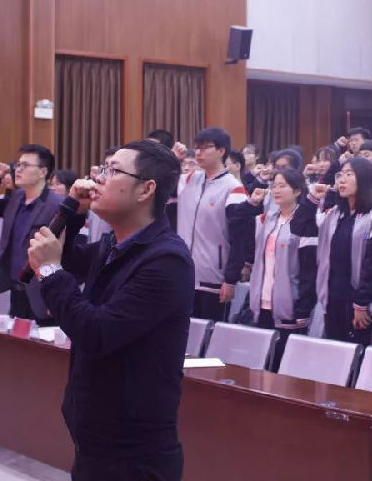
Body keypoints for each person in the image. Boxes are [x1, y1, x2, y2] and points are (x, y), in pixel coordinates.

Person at [27, 140, 192, 481]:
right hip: (96, 435)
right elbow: (55, 251)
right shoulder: (113, 245)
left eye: (113, 170)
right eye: (102, 168)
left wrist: (51, 271)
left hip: (134, 450)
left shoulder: (166, 261)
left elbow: (96, 333)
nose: (98, 177)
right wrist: (73, 208)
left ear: (146, 189)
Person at [291, 157, 372, 346]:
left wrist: (362, 303)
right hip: (332, 299)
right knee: (336, 355)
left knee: (360, 357)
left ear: (364, 179)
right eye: (340, 175)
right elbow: (298, 227)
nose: (342, 179)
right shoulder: (335, 214)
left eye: (349, 174)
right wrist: (312, 199)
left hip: (361, 304)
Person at [241, 169, 317, 368]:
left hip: (289, 306)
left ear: (297, 191)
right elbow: (238, 225)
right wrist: (252, 203)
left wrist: (303, 308)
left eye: (282, 186)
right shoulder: (268, 219)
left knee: (282, 365)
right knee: (260, 363)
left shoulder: (306, 223)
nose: (276, 190)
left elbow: (309, 271)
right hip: (261, 303)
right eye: (274, 186)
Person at [0, 144, 63, 321]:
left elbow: (65, 253)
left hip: (42, 293)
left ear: (42, 172)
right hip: (16, 291)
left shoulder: (56, 205)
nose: (18, 169)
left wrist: (57, 296)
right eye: (18, 164)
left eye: (25, 165)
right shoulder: (16, 198)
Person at [176, 128, 253, 321]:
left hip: (214, 279)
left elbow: (240, 238)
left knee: (210, 334)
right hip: (183, 275)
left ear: (221, 151)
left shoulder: (233, 188)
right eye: (197, 148)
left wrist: (231, 279)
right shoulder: (188, 180)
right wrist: (173, 159)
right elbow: (159, 184)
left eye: (205, 148)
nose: (198, 152)